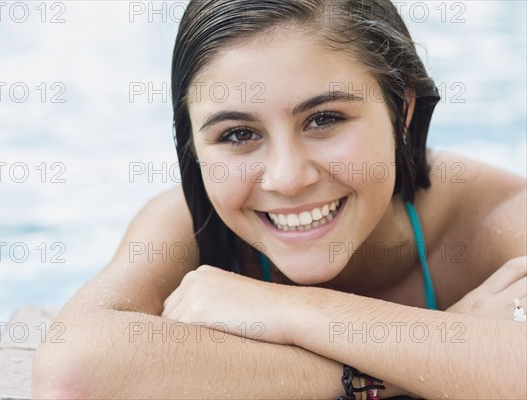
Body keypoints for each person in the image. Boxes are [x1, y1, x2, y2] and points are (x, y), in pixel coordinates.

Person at [32, 0, 526, 398]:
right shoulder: (187, 227)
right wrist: (426, 357)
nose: (287, 178)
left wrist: (289, 310)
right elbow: (72, 374)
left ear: (402, 109)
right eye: (238, 133)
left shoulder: (498, 219)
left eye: (324, 119)